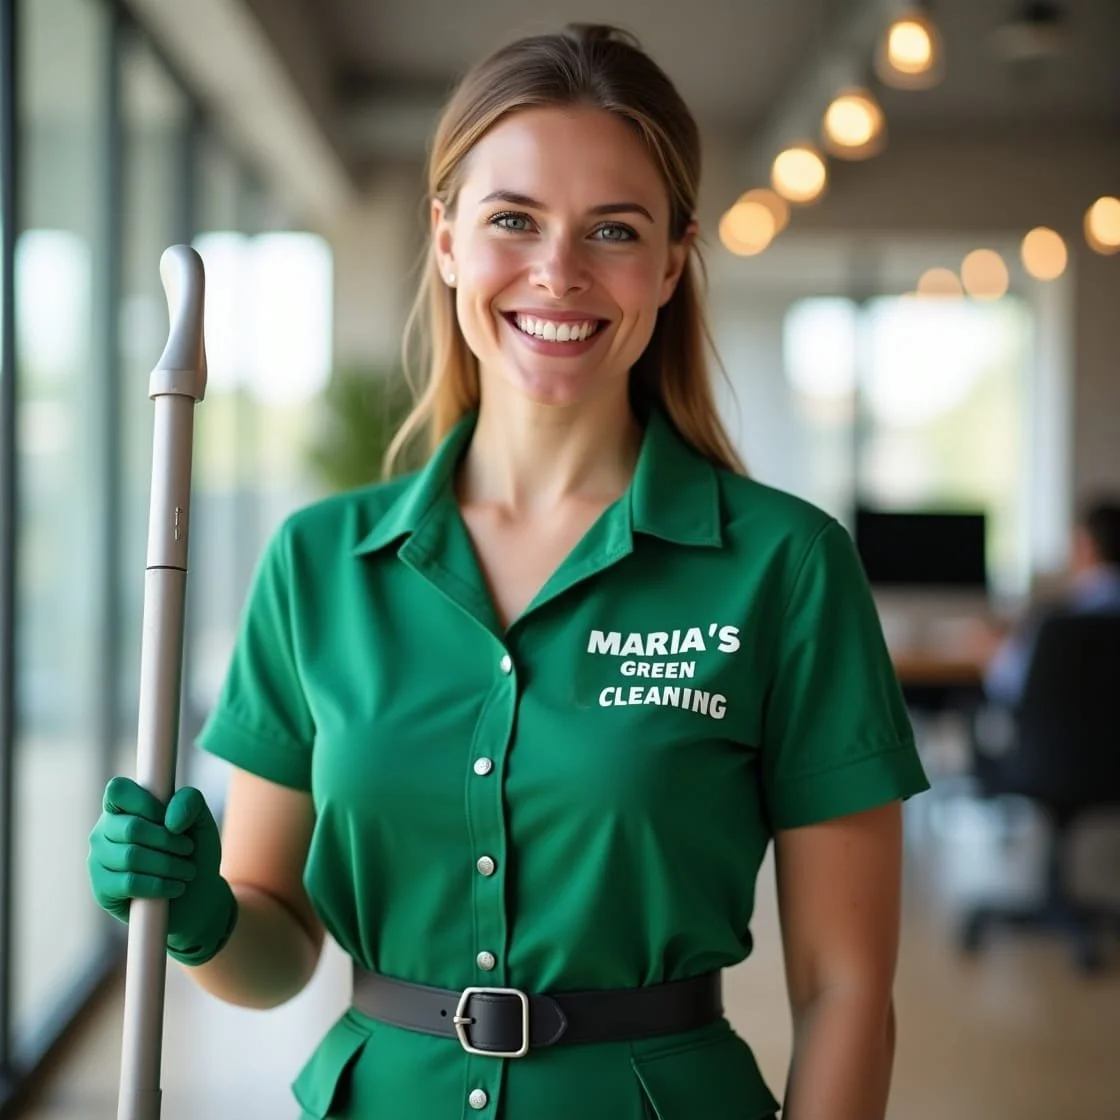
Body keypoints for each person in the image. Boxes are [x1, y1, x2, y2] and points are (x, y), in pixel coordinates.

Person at [88, 24, 929, 1120]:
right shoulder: (318, 565)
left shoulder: (786, 567)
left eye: (613, 230)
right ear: (445, 240)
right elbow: (276, 950)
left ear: (672, 260)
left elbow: (847, 989)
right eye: (513, 220)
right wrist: (200, 914)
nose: (558, 272)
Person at [984, 497, 1120, 707]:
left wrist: (994, 651)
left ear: (1085, 546)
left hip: (1059, 727)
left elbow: (1007, 683)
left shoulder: (1054, 620)